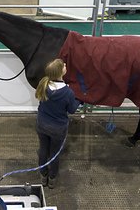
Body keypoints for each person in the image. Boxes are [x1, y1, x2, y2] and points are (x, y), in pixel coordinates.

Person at [35, 58, 81, 189]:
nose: (66, 65)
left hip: (41, 124)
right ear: (61, 72)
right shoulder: (68, 93)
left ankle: (43, 175)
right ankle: (52, 178)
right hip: (57, 128)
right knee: (54, 153)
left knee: (43, 149)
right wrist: (79, 100)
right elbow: (71, 110)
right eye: (64, 66)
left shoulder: (43, 84)